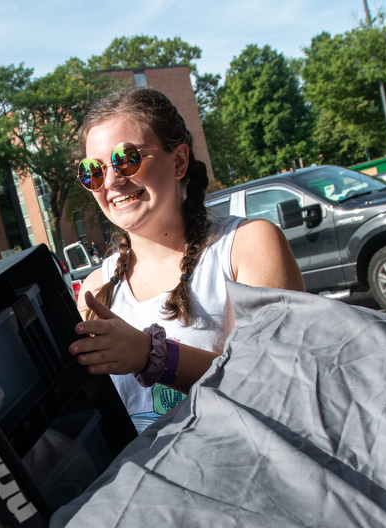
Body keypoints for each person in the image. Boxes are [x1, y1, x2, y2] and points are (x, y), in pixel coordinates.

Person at [66, 88, 304, 432]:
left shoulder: (246, 245)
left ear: (178, 161)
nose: (113, 181)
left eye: (127, 158)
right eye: (93, 171)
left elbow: (280, 382)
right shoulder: (94, 289)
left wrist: (153, 356)